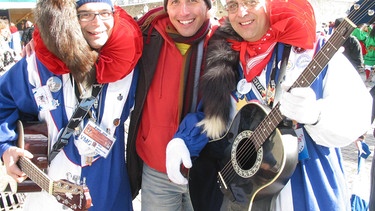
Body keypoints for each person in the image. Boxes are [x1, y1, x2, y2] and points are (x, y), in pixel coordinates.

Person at [170, 0, 372, 210]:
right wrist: (183, 140)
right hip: (247, 192)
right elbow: (214, 121)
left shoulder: (315, 50)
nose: (242, 12)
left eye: (251, 2)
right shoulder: (231, 59)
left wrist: (317, 115)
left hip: (304, 190)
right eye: (232, 5)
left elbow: (358, 116)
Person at [0, 0, 142, 210]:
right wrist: (6, 147)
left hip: (108, 192)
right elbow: (3, 102)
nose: (97, 23)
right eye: (85, 14)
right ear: (70, 19)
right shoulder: (36, 65)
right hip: (49, 193)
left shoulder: (131, 64)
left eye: (104, 13)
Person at [126, 0, 218, 210]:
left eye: (193, 1)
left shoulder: (223, 41)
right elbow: (101, 34)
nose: (183, 12)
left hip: (208, 170)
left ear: (208, 5)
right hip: (158, 172)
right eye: (175, 2)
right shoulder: (148, 34)